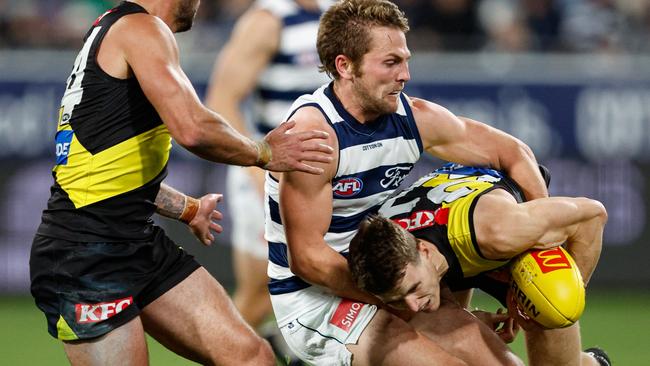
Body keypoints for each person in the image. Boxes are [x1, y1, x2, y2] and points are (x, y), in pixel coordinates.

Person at [28, 0, 334, 365]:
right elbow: (192, 127)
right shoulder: (142, 29)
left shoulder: (116, 31)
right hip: (84, 253)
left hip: (134, 241)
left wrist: (186, 208)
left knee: (252, 357)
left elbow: (100, 171)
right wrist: (265, 152)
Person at [264, 0, 553, 364]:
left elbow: (514, 154)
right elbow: (308, 259)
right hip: (316, 300)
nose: (405, 75)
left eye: (405, 60)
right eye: (390, 62)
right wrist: (403, 298)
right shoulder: (316, 136)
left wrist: (536, 248)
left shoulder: (412, 117)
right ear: (345, 66)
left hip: (390, 278)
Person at [348, 163, 611, 366]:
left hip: (498, 243)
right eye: (397, 299)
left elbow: (592, 215)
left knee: (555, 303)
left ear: (425, 251)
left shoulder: (500, 230)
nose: (412, 304)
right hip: (448, 256)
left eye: (413, 288)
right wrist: (466, 319)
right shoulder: (379, 268)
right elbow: (411, 292)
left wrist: (571, 289)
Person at [205, 0, 334, 333]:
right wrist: (256, 168)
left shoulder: (339, 11)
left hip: (329, 174)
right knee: (260, 294)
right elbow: (222, 99)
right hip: (274, 170)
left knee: (338, 284)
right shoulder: (267, 19)